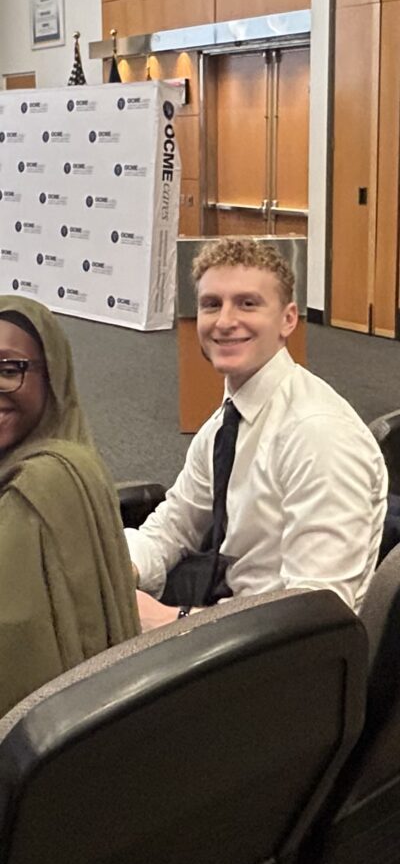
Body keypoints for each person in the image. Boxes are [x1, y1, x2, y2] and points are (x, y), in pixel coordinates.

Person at [128, 237, 388, 630]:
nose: (225, 321)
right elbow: (176, 524)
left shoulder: (317, 435)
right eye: (211, 304)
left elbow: (316, 614)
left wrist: (172, 621)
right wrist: (121, 571)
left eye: (247, 303)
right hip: (233, 608)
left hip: (275, 655)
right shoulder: (226, 422)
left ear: (287, 320)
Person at [0, 295, 140, 718]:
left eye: (10, 370)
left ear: (52, 377)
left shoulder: (36, 491)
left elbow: (16, 655)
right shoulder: (75, 453)